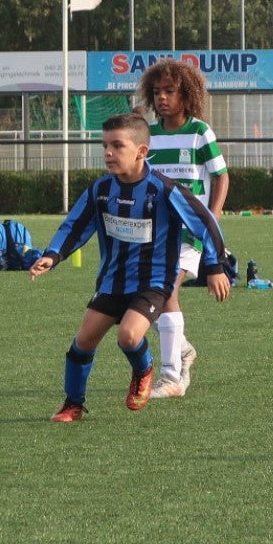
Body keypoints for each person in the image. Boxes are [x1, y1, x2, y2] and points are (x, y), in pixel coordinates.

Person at [28, 112, 230, 421]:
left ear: (141, 151)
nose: (108, 153)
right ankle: (73, 404)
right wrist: (52, 255)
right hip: (112, 281)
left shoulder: (164, 190)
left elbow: (205, 223)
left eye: (117, 146)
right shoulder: (100, 190)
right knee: (83, 342)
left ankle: (143, 369)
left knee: (128, 336)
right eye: (105, 146)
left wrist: (215, 267)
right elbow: (75, 225)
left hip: (153, 282)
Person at [138, 58, 229, 398]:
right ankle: (183, 350)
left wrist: (210, 219)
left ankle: (171, 377)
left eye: (170, 91)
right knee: (149, 296)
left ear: (186, 94)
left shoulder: (199, 132)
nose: (162, 98)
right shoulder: (149, 135)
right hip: (156, 233)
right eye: (157, 92)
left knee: (165, 293)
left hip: (189, 233)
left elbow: (221, 176)